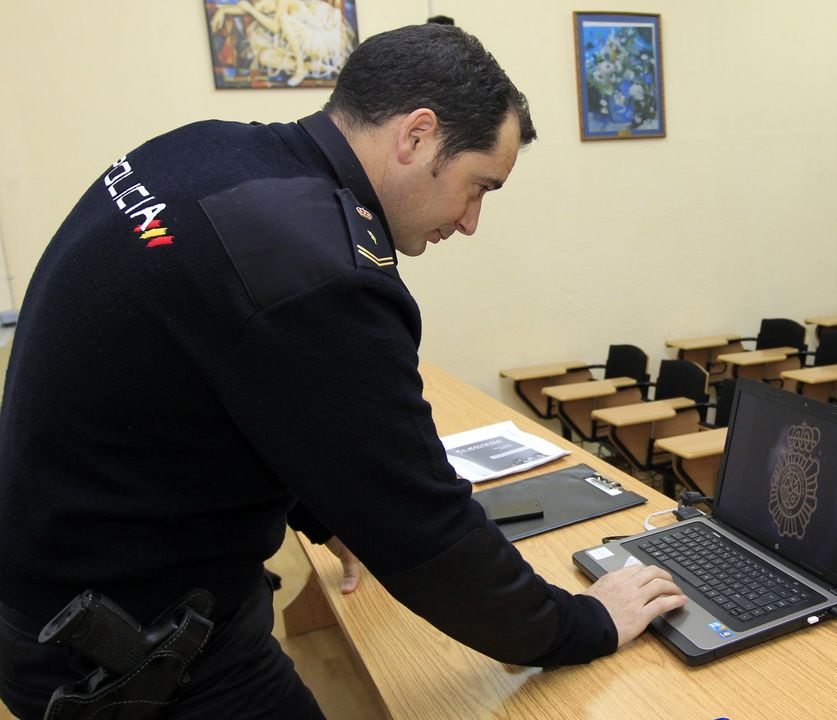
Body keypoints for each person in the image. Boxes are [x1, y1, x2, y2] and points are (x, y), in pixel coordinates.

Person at [0, 24, 685, 719]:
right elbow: (427, 529)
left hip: (51, 592)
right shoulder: (317, 269)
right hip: (119, 653)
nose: (471, 221)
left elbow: (220, 381)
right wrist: (585, 623)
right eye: (479, 186)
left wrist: (329, 514)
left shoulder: (203, 151)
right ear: (417, 136)